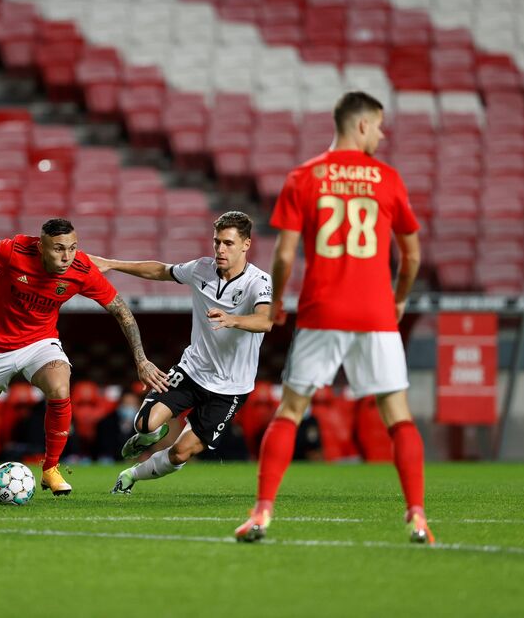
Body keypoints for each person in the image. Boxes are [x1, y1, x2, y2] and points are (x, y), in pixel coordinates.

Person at [234, 91, 433, 544]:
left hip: (322, 310)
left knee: (290, 410)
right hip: (376, 313)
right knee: (398, 416)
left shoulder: (304, 176)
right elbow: (412, 256)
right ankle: (418, 517)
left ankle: (262, 512)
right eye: (379, 126)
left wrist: (276, 302)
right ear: (361, 125)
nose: (382, 135)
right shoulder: (387, 178)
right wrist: (399, 299)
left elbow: (284, 255)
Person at [0, 217, 168, 498]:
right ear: (41, 247)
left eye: (72, 248)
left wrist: (141, 360)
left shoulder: (81, 270)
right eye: (58, 248)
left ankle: (51, 468)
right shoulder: (15, 251)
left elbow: (121, 310)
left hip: (40, 342)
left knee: (60, 387)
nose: (66, 256)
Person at [90, 211, 274, 494]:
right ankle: (147, 436)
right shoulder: (201, 269)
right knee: (144, 424)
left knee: (180, 453)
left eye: (228, 243)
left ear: (246, 244)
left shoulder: (258, 282)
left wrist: (233, 319)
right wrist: (111, 264)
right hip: (192, 371)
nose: (220, 249)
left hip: (231, 387)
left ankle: (130, 475)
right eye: (217, 242)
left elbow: (265, 321)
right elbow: (160, 270)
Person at [93, 390, 141, 462]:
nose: (129, 407)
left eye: (132, 404)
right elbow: (104, 447)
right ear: (120, 405)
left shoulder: (144, 424)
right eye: (126, 404)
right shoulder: (106, 423)